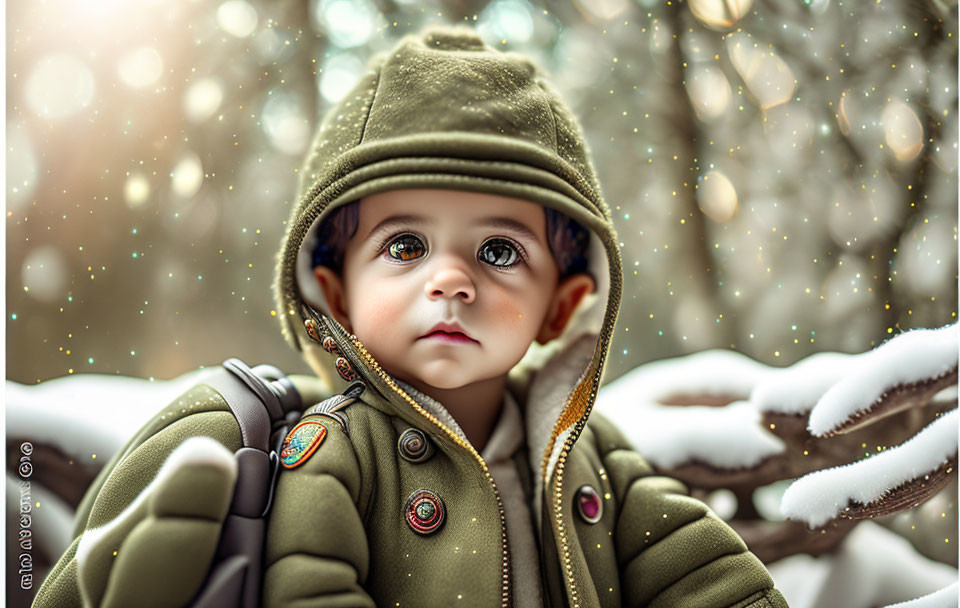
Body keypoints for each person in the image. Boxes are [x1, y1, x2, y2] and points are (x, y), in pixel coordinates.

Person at [34, 25, 788, 607]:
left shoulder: (585, 453)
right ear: (336, 294)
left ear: (559, 306)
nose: (453, 280)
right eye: (405, 244)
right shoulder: (334, 452)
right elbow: (312, 589)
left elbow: (696, 568)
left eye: (499, 250)